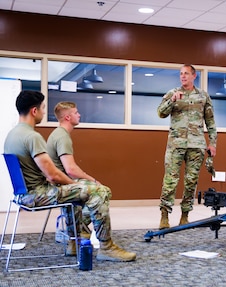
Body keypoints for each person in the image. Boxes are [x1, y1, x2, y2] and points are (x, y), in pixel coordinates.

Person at [4, 90, 136, 262]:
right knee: (100, 192)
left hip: (23, 194)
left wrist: (69, 185)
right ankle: (107, 247)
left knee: (73, 191)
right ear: (34, 111)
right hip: (37, 194)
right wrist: (72, 184)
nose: (44, 113)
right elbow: (52, 176)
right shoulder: (32, 137)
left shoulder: (11, 135)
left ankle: (74, 242)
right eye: (42, 109)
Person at [157, 64, 217, 229]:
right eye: (181, 74)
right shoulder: (173, 93)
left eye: (186, 74)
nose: (183, 76)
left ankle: (185, 215)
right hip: (176, 144)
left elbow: (210, 122)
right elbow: (161, 113)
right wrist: (172, 100)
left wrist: (213, 143)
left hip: (196, 144)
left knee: (191, 181)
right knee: (170, 180)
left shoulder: (203, 96)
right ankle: (164, 216)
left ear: (194, 76)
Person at [46, 101, 100, 241]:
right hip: (58, 185)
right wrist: (93, 180)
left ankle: (75, 228)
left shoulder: (58, 133)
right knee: (102, 191)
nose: (79, 115)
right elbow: (71, 170)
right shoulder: (62, 136)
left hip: (57, 182)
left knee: (93, 188)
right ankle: (74, 229)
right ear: (68, 118)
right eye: (76, 113)